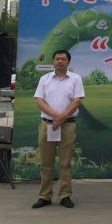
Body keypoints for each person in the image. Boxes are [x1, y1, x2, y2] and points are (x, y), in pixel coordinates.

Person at [32, 50, 85, 209]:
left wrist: (61, 119)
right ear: (53, 61)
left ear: (68, 62)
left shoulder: (76, 78)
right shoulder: (45, 79)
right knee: (46, 163)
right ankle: (45, 196)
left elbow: (77, 101)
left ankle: (65, 195)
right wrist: (56, 117)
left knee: (65, 162)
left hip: (68, 125)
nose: (60, 61)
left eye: (63, 59)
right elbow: (39, 100)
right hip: (47, 124)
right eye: (57, 59)